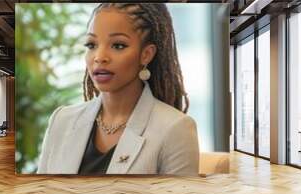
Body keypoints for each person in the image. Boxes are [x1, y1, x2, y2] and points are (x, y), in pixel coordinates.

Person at [37, 3, 199, 175]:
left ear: (146, 54)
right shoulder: (62, 120)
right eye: (91, 45)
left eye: (118, 45)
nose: (99, 57)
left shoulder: (175, 129)